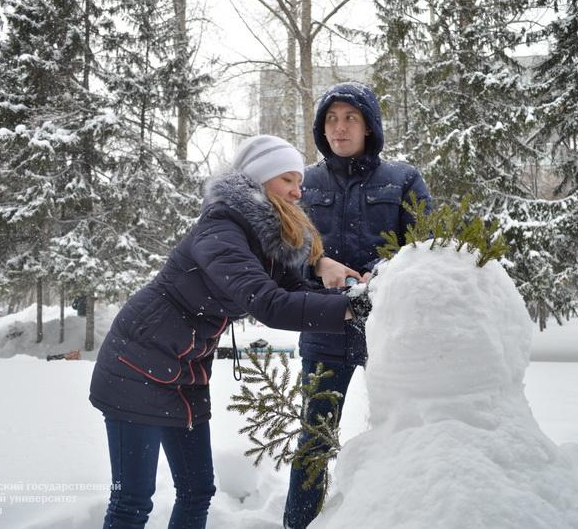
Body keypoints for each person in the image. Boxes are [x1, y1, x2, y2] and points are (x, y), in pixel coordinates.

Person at [89, 135, 370, 529]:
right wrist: (352, 309)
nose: (298, 190)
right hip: (136, 364)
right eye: (287, 179)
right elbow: (269, 304)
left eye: (299, 181)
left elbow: (293, 291)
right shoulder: (220, 229)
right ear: (260, 180)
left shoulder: (261, 238)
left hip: (184, 371)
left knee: (197, 492)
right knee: (132, 502)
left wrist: (351, 292)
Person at [283, 82, 431, 529]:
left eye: (350, 118)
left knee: (402, 431)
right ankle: (299, 523)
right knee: (314, 439)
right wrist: (321, 268)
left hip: (388, 331)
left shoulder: (402, 179)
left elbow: (425, 249)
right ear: (320, 128)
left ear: (369, 127)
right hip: (323, 329)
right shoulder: (303, 185)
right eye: (331, 119)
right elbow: (287, 254)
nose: (340, 127)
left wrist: (382, 278)